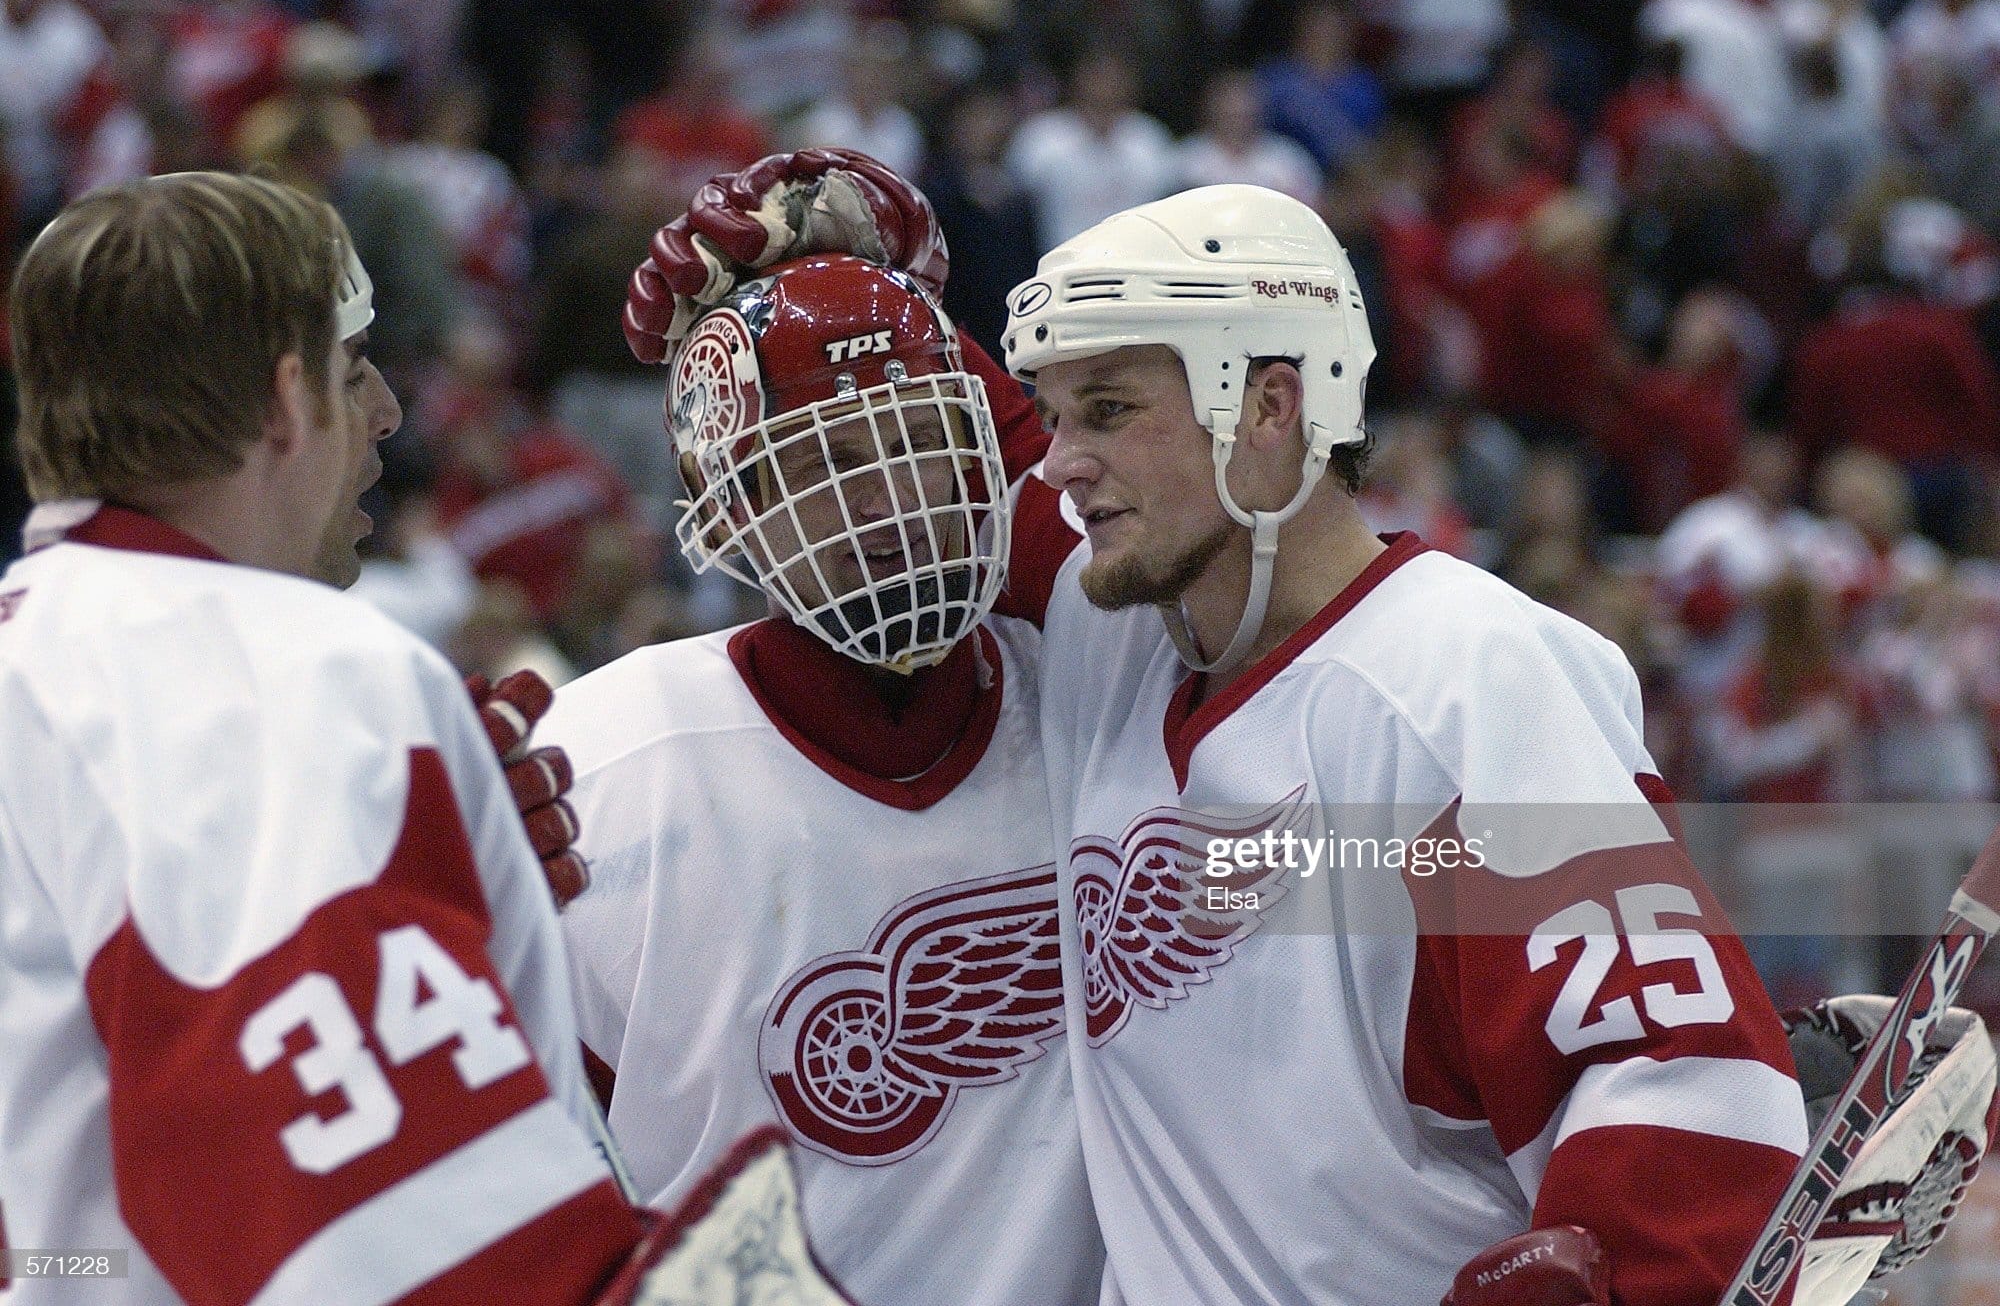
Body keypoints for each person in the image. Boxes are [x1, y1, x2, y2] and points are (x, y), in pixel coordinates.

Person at [623, 155, 1995, 1306]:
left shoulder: (1458, 676)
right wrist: (852, 289)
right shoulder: (1132, 637)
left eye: (1106, 411)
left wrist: (1644, 1256)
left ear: (1270, 407)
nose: (1057, 456)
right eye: (1051, 411)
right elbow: (931, 493)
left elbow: (1673, 1071)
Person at [0, 171, 844, 1305]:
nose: (390, 412)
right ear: (289, 401)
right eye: (357, 368)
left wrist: (444, 916)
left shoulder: (42, 655)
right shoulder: (295, 676)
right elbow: (376, 1238)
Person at [541, 246, 1103, 1304]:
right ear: (732, 503)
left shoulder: (1103, 700)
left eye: (917, 442)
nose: (887, 500)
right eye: (826, 460)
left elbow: (1388, 875)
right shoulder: (603, 769)